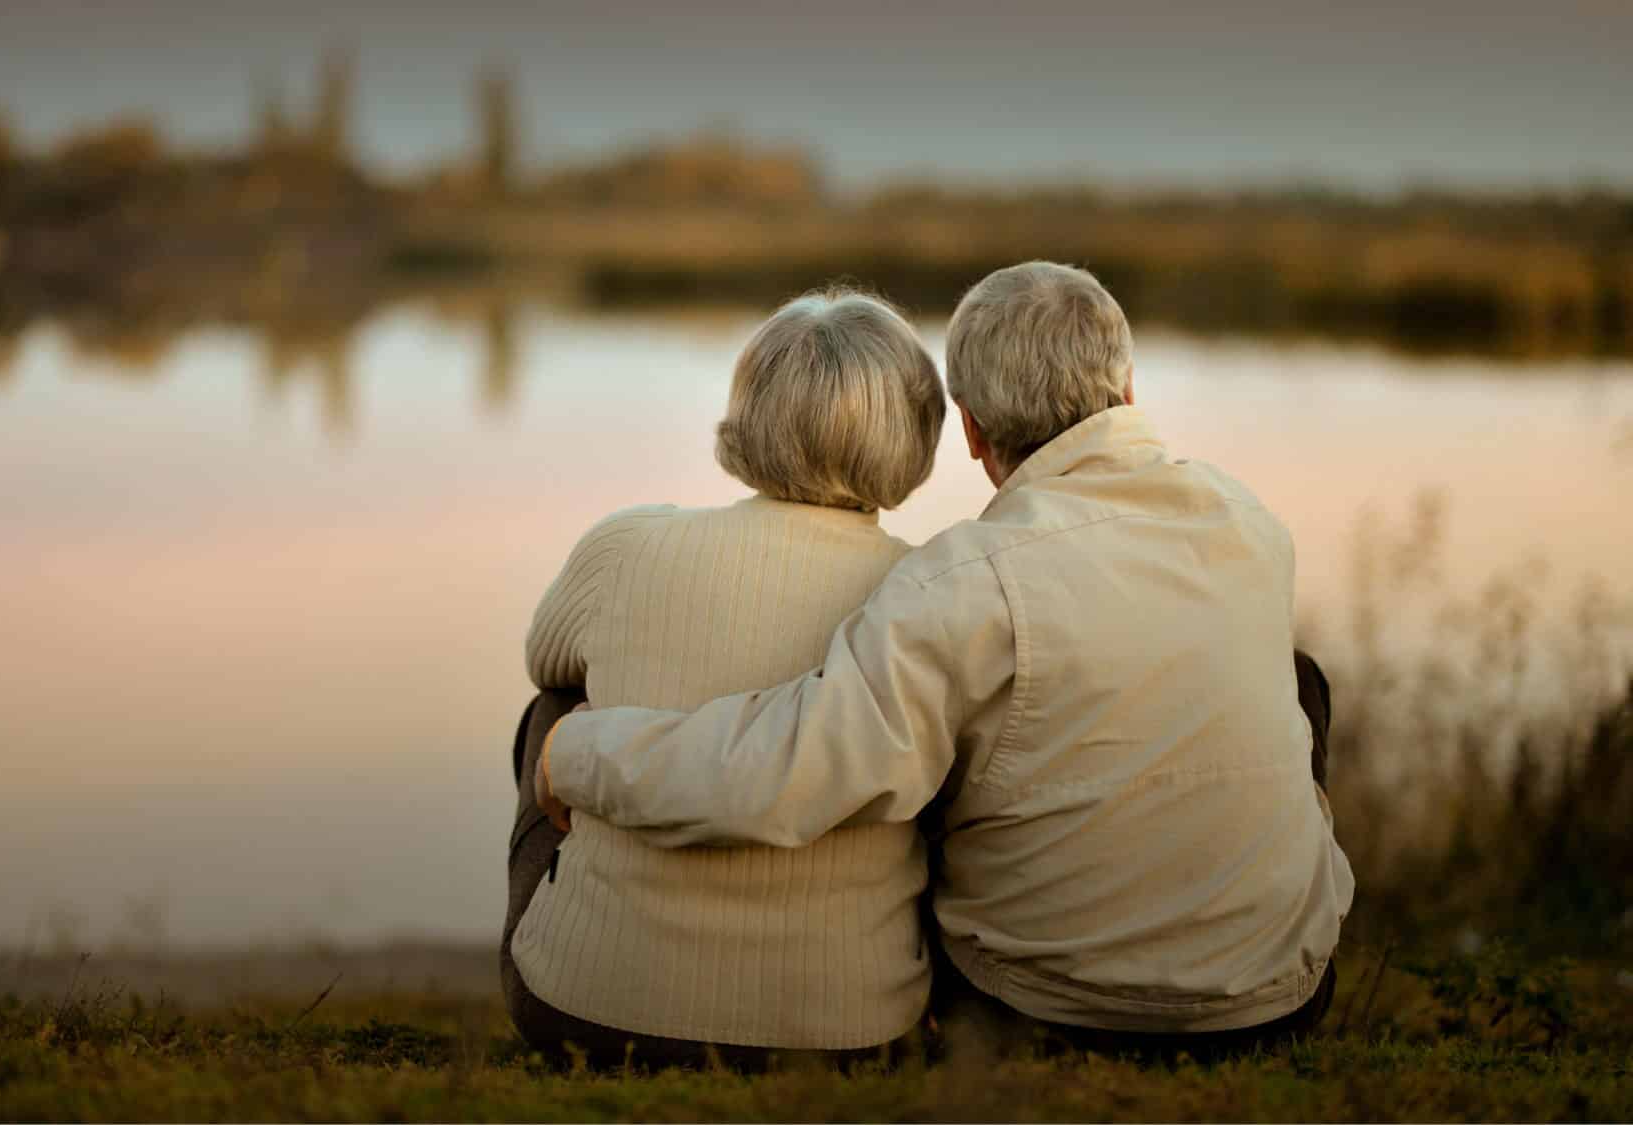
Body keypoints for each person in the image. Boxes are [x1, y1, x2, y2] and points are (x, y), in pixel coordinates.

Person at [539, 262, 1355, 1060]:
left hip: (1040, 1011)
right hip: (1277, 1002)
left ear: (968, 430)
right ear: (1130, 391)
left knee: (936, 745)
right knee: (1298, 680)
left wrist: (576, 749)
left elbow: (788, 770)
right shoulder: (1252, 525)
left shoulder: (966, 581)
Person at [504, 290, 948, 1068]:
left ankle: (593, 925)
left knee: (554, 709)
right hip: (850, 1031)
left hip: (586, 1011)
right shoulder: (929, 592)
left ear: (748, 413)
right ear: (916, 432)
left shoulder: (626, 545)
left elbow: (546, 659)